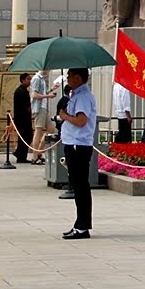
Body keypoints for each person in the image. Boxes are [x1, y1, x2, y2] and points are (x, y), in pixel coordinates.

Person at [58, 68, 97, 240]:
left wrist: (65, 116)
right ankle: (80, 223)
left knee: (80, 186)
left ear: (78, 77)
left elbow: (81, 121)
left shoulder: (82, 96)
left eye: (70, 76)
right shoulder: (76, 94)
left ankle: (82, 226)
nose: (67, 78)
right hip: (73, 143)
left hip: (78, 145)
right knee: (78, 185)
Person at [29, 68, 56, 164]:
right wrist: (48, 96)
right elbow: (34, 95)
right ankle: (35, 156)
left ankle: (39, 151)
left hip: (43, 108)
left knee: (50, 129)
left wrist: (52, 89)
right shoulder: (37, 78)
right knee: (38, 131)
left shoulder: (41, 79)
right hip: (39, 108)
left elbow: (41, 93)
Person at [13, 73, 33, 163]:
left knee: (25, 137)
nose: (30, 81)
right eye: (28, 79)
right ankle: (21, 155)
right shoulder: (21, 91)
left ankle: (20, 153)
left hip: (23, 118)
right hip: (22, 118)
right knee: (25, 136)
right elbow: (26, 106)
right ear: (23, 80)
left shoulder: (23, 90)